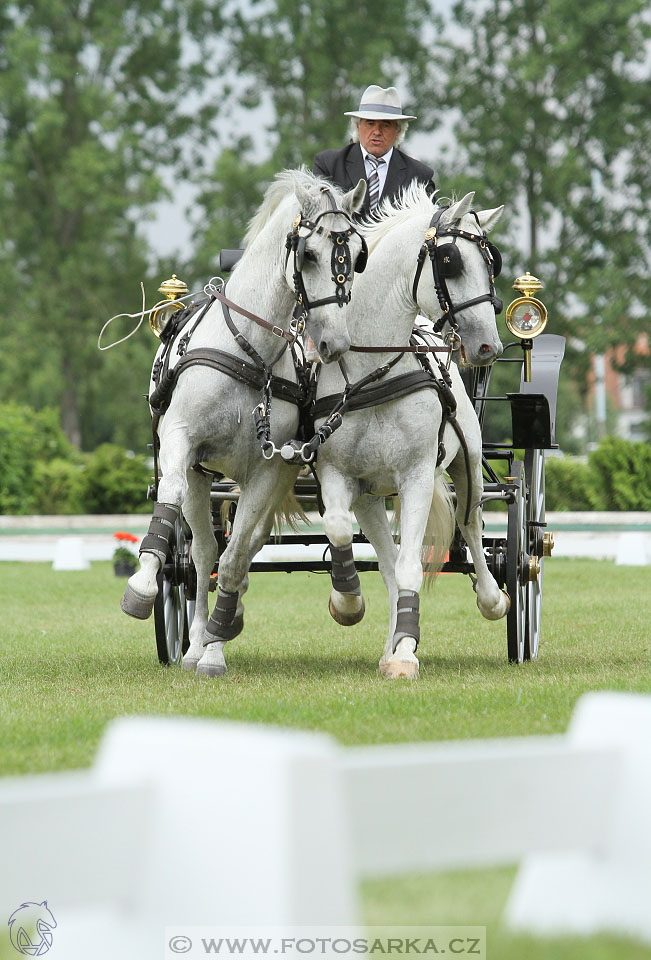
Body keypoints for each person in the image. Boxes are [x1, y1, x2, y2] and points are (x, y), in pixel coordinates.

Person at [313, 84, 435, 218]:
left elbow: (429, 227)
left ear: (398, 130)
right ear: (358, 126)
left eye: (386, 125)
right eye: (370, 123)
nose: (377, 132)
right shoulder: (329, 165)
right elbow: (314, 218)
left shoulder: (419, 176)